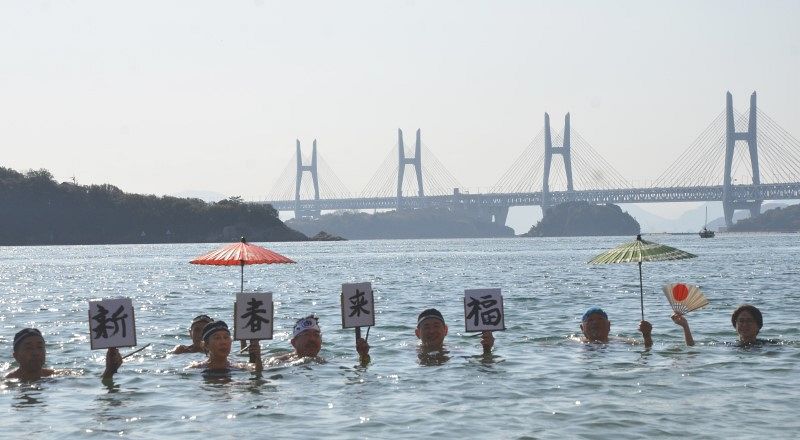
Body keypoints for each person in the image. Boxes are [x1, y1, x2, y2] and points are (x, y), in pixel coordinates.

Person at [5, 328, 122, 381]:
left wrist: (109, 371)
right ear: (16, 356)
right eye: (29, 348)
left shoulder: (59, 375)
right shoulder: (8, 383)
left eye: (40, 347)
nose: (36, 353)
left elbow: (93, 383)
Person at [268, 315, 369, 365]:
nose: (312, 339)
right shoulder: (278, 362)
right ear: (294, 343)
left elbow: (358, 371)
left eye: (316, 335)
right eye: (306, 335)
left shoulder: (326, 362)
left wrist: (363, 355)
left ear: (321, 341)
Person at [671, 304, 765, 347]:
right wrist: (685, 326)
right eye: (741, 321)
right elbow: (692, 346)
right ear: (735, 324)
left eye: (749, 321)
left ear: (758, 325)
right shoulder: (728, 345)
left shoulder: (770, 345)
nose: (744, 324)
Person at [189, 320, 262, 372]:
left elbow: (257, 373)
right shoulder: (196, 368)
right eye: (217, 338)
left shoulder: (238, 367)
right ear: (206, 345)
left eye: (226, 337)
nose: (223, 342)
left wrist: (258, 357)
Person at [415, 308, 494, 354]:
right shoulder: (408, 352)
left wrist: (487, 350)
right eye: (426, 327)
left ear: (445, 330)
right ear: (417, 333)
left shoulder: (455, 352)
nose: (431, 331)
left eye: (436, 326)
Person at [579, 307, 652, 348]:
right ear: (582, 328)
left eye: (600, 319)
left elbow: (647, 347)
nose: (595, 322)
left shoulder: (620, 342)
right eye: (590, 320)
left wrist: (647, 335)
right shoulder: (575, 342)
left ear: (609, 325)